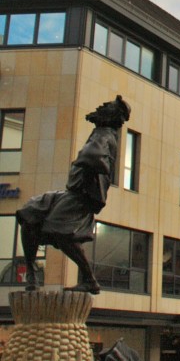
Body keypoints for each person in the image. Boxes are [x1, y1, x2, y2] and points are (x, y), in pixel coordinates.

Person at [16, 96, 131, 294]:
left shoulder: (104, 134)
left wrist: (84, 163)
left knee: (60, 233)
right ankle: (33, 274)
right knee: (29, 212)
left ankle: (89, 280)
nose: (101, 106)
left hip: (80, 195)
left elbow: (94, 157)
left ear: (113, 116)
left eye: (108, 106)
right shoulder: (101, 132)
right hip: (72, 192)